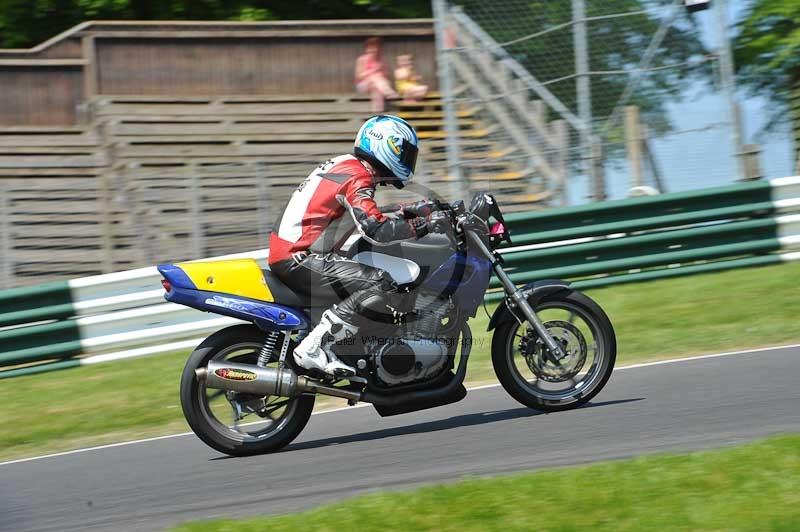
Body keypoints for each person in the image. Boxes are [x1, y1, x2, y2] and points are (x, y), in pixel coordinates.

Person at [268, 115, 446, 378]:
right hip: (300, 257)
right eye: (405, 153)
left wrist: (413, 210)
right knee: (383, 283)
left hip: (297, 254)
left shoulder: (349, 166)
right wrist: (424, 225)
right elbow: (376, 228)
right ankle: (314, 347)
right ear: (386, 144)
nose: (409, 160)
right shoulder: (357, 175)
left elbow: (367, 212)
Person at [355, 37, 398, 113]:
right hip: (364, 85)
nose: (374, 50)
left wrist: (381, 73)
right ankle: (389, 92)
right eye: (371, 48)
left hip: (379, 85)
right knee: (374, 77)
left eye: (376, 48)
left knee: (377, 89)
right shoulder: (361, 60)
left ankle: (377, 113)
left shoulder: (381, 60)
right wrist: (374, 70)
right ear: (367, 49)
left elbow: (386, 76)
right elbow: (359, 76)